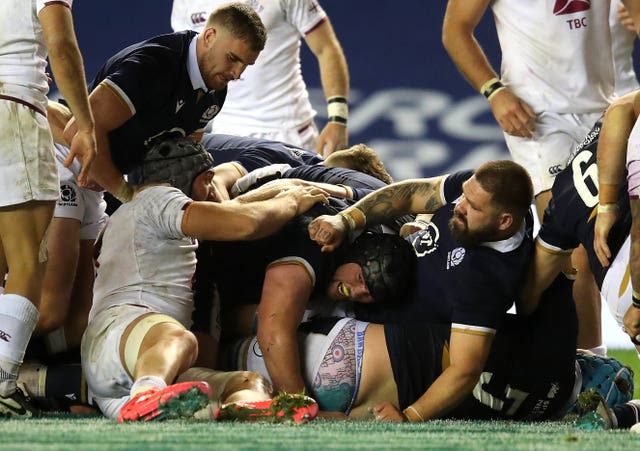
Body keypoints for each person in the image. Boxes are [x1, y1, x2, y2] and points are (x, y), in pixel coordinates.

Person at [80, 136, 329, 421]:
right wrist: (292, 200)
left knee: (247, 382)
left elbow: (233, 210)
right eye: (208, 180)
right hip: (128, 339)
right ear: (192, 178)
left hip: (124, 365)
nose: (212, 190)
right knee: (178, 337)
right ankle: (147, 394)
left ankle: (244, 409)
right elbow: (246, 223)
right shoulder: (157, 197)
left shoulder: (135, 213)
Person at [442, 0, 614, 356]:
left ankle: (532, 345)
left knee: (614, 236)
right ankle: (588, 371)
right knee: (574, 242)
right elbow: (455, 30)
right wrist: (494, 90)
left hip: (604, 106)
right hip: (538, 115)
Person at [221, 274, 634, 421]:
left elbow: (556, 267)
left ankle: (180, 342)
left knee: (226, 331)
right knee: (237, 379)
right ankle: (223, 398)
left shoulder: (558, 353)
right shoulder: (536, 418)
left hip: (359, 347)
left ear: (587, 364)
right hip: (357, 400)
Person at [308, 160, 534, 419]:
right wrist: (345, 220)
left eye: (472, 207)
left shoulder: (488, 280)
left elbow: (464, 370)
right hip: (361, 279)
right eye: (463, 195)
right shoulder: (482, 190)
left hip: (367, 336)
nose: (459, 206)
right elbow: (412, 195)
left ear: (505, 222)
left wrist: (410, 416)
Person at [63, 2, 266, 205]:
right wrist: (124, 191)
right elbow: (77, 130)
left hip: (106, 177)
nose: (237, 74)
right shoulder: (152, 67)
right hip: (67, 159)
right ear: (209, 36)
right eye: (232, 58)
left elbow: (182, 157)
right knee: (64, 237)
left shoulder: (215, 91)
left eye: (246, 65)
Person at [0, 0, 96, 418]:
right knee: (27, 261)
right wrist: (86, 123)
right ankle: (3, 383)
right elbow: (61, 44)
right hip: (13, 108)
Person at [171, 0, 350, 155]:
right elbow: (190, 65)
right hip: (226, 134)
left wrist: (338, 118)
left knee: (302, 196)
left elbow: (326, 48)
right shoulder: (186, 3)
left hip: (290, 132)